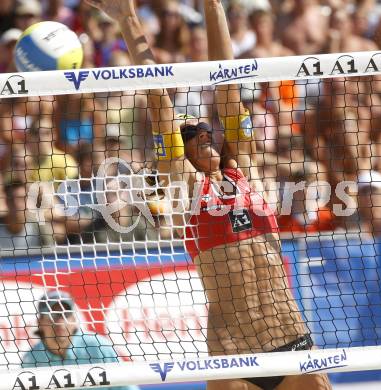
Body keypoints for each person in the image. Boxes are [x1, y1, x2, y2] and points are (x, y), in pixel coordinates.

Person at [86, 1, 332, 389]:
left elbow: (228, 82)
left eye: (204, 129)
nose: (202, 132)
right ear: (178, 152)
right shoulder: (185, 188)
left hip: (290, 339)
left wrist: (213, 6)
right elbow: (159, 102)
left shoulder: (244, 170)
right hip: (232, 350)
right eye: (190, 134)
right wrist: (127, 19)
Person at [21, 290, 140, 390]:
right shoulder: (31, 361)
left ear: (74, 319)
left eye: (66, 314)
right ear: (39, 322)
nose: (60, 322)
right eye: (53, 315)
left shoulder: (98, 347)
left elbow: (126, 387)